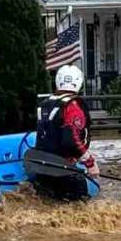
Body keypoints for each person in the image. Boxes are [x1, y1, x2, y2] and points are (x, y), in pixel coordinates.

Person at [32, 64, 99, 201]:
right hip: (65, 170)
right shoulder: (73, 107)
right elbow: (71, 140)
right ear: (79, 83)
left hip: (43, 168)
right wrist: (90, 163)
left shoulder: (46, 104)